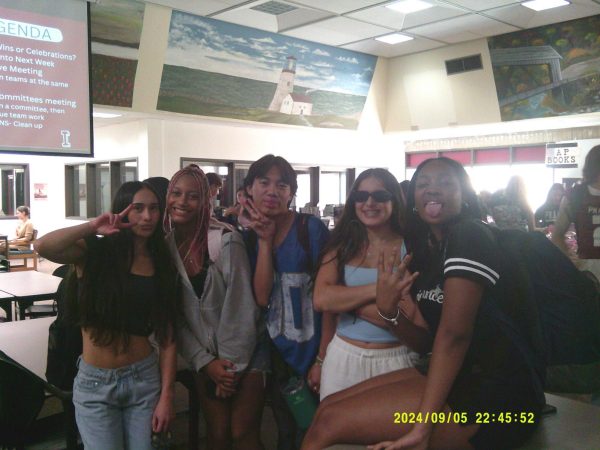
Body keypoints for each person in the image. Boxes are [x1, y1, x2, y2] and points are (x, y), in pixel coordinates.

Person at [301, 157, 544, 450]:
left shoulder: (469, 235)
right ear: (413, 198)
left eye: (445, 183)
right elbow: (328, 300)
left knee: (329, 424)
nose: (433, 190)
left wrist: (422, 427)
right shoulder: (430, 251)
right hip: (458, 379)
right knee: (326, 411)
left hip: (498, 401)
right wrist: (387, 311)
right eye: (424, 183)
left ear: (464, 194)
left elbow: (454, 335)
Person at [34, 181, 178, 449]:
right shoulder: (94, 252)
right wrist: (91, 226)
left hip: (143, 380)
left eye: (154, 209)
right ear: (121, 210)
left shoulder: (161, 263)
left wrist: (167, 396)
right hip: (94, 384)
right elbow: (43, 246)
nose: (147, 216)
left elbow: (168, 337)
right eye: (137, 208)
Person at [165, 164, 264, 450]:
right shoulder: (166, 249)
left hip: (247, 351)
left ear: (205, 201)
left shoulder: (225, 241)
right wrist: (206, 363)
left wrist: (228, 370)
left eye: (193, 196)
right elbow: (175, 317)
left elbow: (242, 309)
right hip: (205, 358)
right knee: (218, 434)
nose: (183, 201)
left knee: (242, 434)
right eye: (177, 193)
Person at [241, 154, 332, 449]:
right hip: (279, 354)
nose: (272, 191)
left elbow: (330, 297)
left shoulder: (311, 229)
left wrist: (322, 357)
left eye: (282, 185)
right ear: (249, 189)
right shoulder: (249, 239)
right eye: (264, 182)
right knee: (286, 430)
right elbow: (263, 296)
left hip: (317, 349)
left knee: (319, 431)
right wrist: (265, 242)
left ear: (291, 193)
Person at [313, 168, 417, 400]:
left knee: (391, 435)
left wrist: (344, 301)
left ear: (394, 200)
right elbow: (322, 300)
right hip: (342, 356)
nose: (369, 202)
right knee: (337, 433)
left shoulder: (410, 248)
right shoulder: (341, 246)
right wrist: (381, 292)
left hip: (396, 359)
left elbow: (412, 321)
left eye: (380, 196)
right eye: (361, 197)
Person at [552, 145, 600, 284]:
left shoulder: (575, 195)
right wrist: (570, 260)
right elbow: (557, 235)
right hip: (588, 272)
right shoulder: (575, 195)